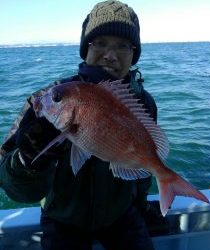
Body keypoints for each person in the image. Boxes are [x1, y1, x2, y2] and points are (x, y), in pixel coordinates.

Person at [0, 1, 158, 249]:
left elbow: (142, 171)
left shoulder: (143, 103)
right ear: (86, 48)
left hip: (122, 216)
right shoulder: (49, 99)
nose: (110, 54)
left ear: (133, 54)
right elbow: (13, 188)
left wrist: (142, 205)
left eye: (122, 46)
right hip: (62, 219)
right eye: (100, 43)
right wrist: (26, 162)